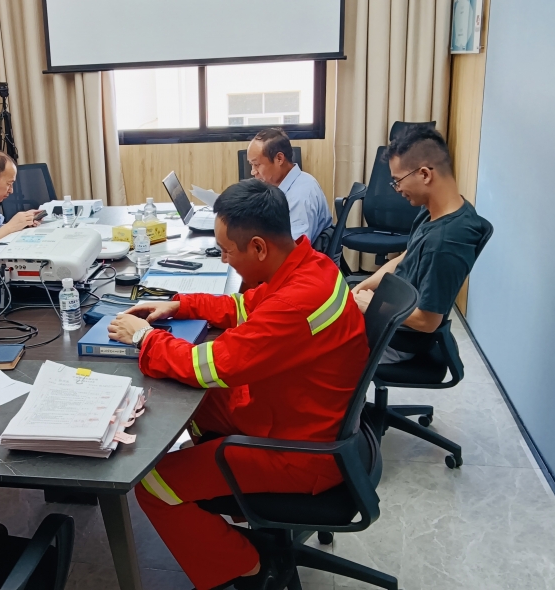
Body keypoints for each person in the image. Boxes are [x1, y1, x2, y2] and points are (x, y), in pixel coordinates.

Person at [107, 180, 369, 590]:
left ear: (259, 247)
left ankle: (250, 567)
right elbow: (245, 307)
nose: (225, 260)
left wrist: (144, 337)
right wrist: (180, 304)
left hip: (301, 454)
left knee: (153, 486)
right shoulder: (310, 267)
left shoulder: (295, 302)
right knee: (192, 408)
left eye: (227, 251)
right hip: (301, 411)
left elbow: (208, 366)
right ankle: (222, 502)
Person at [350, 126, 489, 363]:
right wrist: (361, 287)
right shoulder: (434, 211)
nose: (397, 189)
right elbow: (404, 257)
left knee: (312, 347)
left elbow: (428, 321)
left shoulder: (445, 241)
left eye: (397, 181)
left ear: (424, 174)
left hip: (398, 338)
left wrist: (373, 305)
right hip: (392, 308)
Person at [246, 128, 332, 244]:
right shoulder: (278, 186)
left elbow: (293, 249)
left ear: (279, 159)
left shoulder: (299, 198)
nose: (253, 172)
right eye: (251, 165)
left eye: (256, 164)